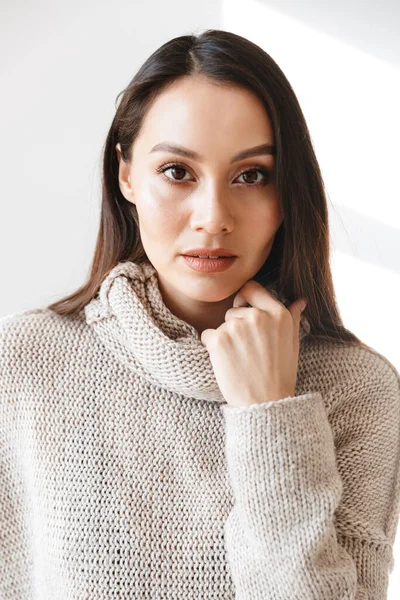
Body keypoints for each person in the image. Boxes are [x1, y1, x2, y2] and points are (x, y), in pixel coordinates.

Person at [1, 28, 399, 600]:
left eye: (251, 175)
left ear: (287, 190)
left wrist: (270, 413)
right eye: (178, 172)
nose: (213, 217)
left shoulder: (360, 390)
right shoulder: (23, 364)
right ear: (126, 175)